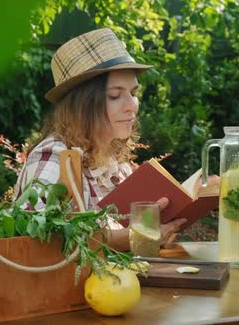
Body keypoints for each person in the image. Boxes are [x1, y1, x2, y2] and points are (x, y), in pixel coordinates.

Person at [14, 28, 216, 251]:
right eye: (115, 95)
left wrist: (158, 233)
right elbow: (34, 239)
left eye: (134, 93)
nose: (131, 106)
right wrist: (134, 237)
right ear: (82, 105)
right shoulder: (55, 157)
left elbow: (124, 236)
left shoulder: (114, 165)